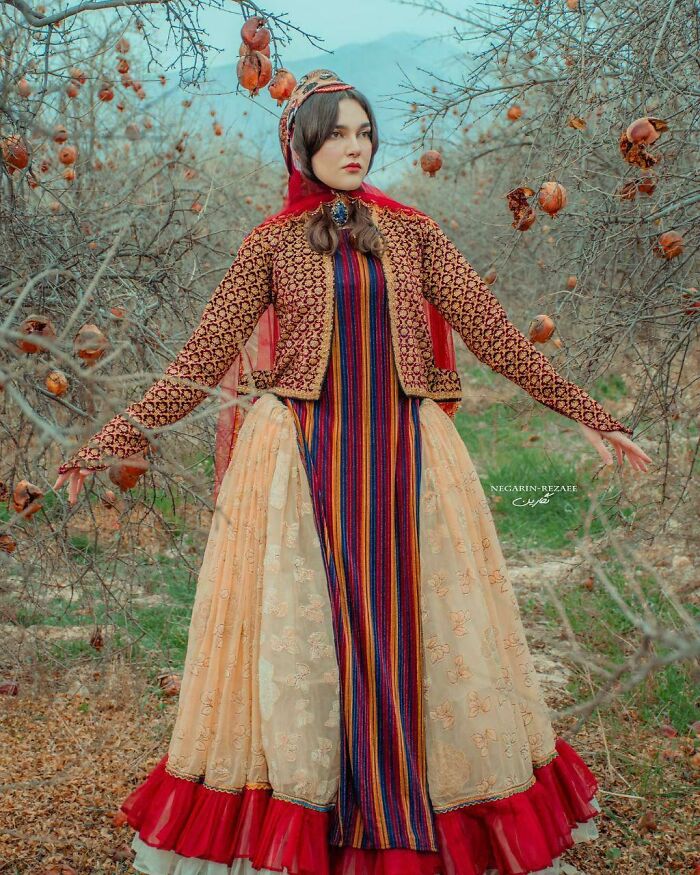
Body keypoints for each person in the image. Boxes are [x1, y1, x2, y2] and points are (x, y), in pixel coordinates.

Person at [53, 69, 651, 875]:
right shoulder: (270, 242)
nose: (353, 147)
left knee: (415, 638)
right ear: (302, 146)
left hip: (406, 461)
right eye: (335, 134)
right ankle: (323, 826)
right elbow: (195, 366)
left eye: (363, 133)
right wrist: (104, 442)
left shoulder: (414, 234)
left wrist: (593, 414)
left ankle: (415, 819)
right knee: (315, 644)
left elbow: (495, 335)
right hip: (301, 465)